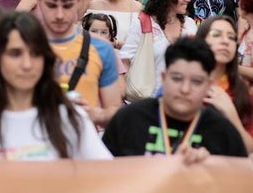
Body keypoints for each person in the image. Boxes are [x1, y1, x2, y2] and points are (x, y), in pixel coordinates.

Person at [0, 11, 112, 161]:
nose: (27, 64)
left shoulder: (71, 121)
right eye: (15, 53)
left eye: (35, 54)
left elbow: (108, 180)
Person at [103, 37, 248, 161]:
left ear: (208, 85)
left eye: (196, 82)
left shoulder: (222, 132)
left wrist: (207, 170)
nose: (185, 89)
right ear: (164, 78)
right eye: (177, 79)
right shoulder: (129, 119)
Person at [35, 0, 121, 127]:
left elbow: (114, 112)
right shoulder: (22, 46)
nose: (59, 15)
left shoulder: (101, 48)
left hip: (83, 145)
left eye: (67, 6)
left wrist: (95, 114)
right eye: (52, 6)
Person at [121, 0, 198, 96]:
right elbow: (125, 61)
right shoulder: (142, 23)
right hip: (148, 101)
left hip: (183, 98)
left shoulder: (190, 25)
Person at [195, 15, 253, 152]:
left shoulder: (243, 92)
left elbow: (250, 149)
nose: (225, 41)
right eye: (216, 35)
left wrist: (231, 114)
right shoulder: (183, 86)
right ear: (201, 40)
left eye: (231, 37)